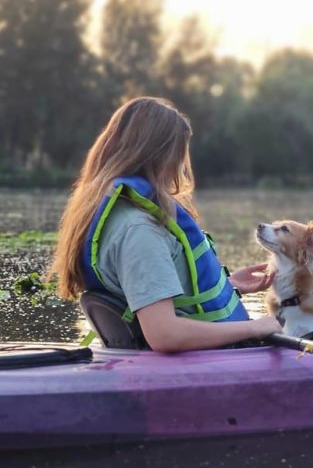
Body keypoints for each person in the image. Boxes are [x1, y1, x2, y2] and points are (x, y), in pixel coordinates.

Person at [50, 97, 282, 352]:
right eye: (179, 153)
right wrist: (257, 327)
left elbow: (143, 288)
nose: (181, 166)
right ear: (160, 155)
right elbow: (164, 334)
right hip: (199, 364)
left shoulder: (108, 209)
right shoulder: (139, 230)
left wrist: (228, 286)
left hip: (146, 361)